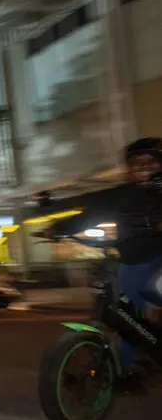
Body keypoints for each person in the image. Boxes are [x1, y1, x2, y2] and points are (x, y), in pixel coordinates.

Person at [47, 137, 162, 389]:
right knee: (126, 312)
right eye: (135, 163)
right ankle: (127, 368)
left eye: (149, 162)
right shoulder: (122, 194)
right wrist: (57, 228)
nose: (142, 167)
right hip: (133, 258)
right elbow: (91, 214)